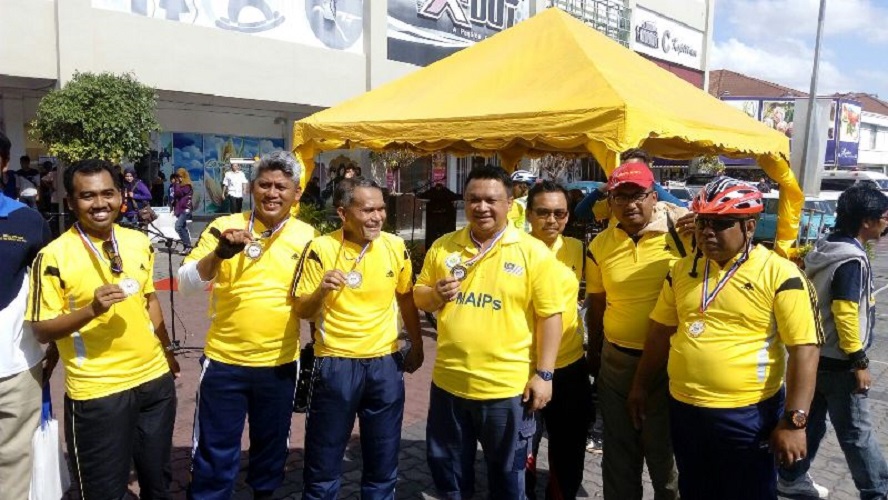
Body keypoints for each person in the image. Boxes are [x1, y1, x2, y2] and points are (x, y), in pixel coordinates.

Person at [629, 177, 823, 500]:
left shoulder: (781, 274)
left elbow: (805, 349)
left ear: (750, 226)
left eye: (720, 223)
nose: (707, 231)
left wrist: (795, 421)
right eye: (702, 221)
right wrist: (640, 385)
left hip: (747, 413)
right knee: (695, 490)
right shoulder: (683, 270)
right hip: (686, 408)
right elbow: (660, 332)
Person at [26, 159, 180, 499]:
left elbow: (149, 299)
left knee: (158, 485)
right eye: (87, 196)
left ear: (121, 196)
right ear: (71, 202)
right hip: (98, 391)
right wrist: (91, 310)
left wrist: (167, 351)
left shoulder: (137, 241)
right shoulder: (53, 257)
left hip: (154, 383)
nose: (99, 203)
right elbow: (42, 329)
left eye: (107, 193)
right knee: (103, 492)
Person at [414, 165, 563, 499]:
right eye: (473, 199)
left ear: (510, 203)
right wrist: (436, 294)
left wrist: (545, 375)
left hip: (506, 391)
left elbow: (550, 316)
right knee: (450, 477)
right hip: (450, 384)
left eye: (491, 200)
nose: (481, 207)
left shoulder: (532, 252)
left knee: (508, 481)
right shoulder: (444, 246)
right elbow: (419, 295)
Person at [178, 151, 318, 499]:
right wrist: (219, 254)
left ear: (297, 193)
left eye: (281, 187)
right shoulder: (225, 226)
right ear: (251, 188)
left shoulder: (309, 237)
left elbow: (313, 301)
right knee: (214, 451)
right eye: (264, 185)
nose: (272, 193)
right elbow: (185, 283)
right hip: (224, 362)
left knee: (271, 450)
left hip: (280, 363)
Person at [293, 176, 423, 499]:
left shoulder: (394, 246)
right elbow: (302, 309)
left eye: (381, 209)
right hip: (335, 365)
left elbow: (406, 298)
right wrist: (321, 290)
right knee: (323, 463)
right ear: (343, 213)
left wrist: (417, 344)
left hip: (385, 365)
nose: (377, 217)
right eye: (367, 210)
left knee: (383, 463)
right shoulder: (320, 248)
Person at [778, 184, 888, 499]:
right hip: (841, 362)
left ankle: (790, 477)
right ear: (866, 221)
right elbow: (845, 311)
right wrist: (859, 361)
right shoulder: (851, 259)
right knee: (856, 433)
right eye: (884, 217)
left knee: (810, 424)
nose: (886, 223)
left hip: (815, 357)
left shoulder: (826, 247)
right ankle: (877, 490)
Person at [585, 161, 687, 500]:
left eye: (637, 195)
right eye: (620, 196)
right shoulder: (600, 245)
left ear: (653, 196)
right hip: (616, 361)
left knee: (664, 452)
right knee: (618, 451)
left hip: (669, 364)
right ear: (610, 201)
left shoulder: (683, 235)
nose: (629, 204)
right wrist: (595, 353)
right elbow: (597, 304)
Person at [524, 180, 594, 500]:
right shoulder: (513, 250)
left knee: (569, 448)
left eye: (560, 213)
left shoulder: (578, 249)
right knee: (523, 448)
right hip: (526, 367)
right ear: (528, 214)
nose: (551, 220)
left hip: (569, 365)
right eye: (543, 212)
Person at [0, 131, 55, 500]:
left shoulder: (27, 221)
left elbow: (49, 288)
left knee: (13, 468)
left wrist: (56, 343)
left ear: (4, 164)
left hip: (15, 367)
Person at [573, 149, 685, 222]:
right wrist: (600, 190)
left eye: (636, 168)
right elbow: (581, 212)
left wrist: (648, 182)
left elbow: (683, 211)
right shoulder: (616, 201)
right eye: (625, 168)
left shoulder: (656, 199)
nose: (631, 171)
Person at [171, 167, 194, 254]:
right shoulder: (178, 185)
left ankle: (187, 246)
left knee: (178, 227)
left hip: (185, 209)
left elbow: (179, 193)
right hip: (180, 210)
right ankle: (187, 247)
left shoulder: (187, 186)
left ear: (184, 176)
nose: (179, 178)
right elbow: (175, 197)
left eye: (181, 176)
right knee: (183, 228)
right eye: (178, 176)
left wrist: (176, 184)